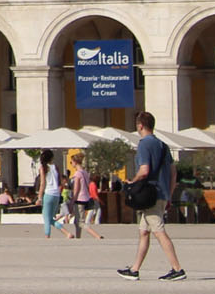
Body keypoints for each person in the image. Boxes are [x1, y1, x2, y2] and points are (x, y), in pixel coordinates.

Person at [118, 111, 186, 281]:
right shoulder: (162, 145)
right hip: (162, 193)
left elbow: (144, 170)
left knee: (159, 231)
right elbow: (173, 172)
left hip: (150, 196)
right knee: (144, 232)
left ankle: (177, 268)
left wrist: (131, 183)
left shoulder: (144, 145)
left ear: (140, 125)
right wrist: (169, 195)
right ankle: (134, 269)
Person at [69, 150, 102, 239]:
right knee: (77, 221)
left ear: (75, 162)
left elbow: (76, 190)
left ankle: (97, 236)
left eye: (71, 162)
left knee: (80, 222)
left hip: (79, 199)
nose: (71, 164)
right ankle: (78, 237)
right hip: (86, 198)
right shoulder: (85, 173)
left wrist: (72, 202)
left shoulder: (77, 174)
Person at [36, 150, 64, 238]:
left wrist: (39, 198)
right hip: (56, 194)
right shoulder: (56, 167)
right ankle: (66, 233)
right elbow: (60, 181)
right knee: (50, 218)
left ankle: (47, 236)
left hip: (48, 193)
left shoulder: (43, 167)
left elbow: (42, 183)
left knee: (46, 218)